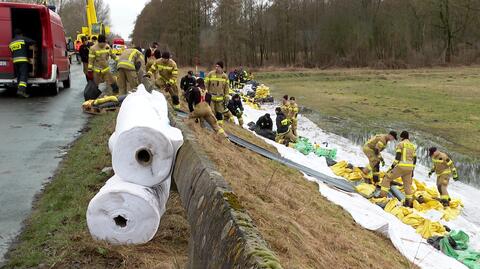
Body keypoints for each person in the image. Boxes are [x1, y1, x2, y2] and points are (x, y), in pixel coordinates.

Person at [378, 131, 417, 208]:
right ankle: (408, 203)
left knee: (387, 178)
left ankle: (382, 197)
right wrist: (412, 170)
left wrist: (391, 168)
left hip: (401, 166)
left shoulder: (400, 144)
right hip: (410, 168)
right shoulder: (412, 146)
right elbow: (415, 159)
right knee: (407, 185)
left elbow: (397, 158)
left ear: (402, 137)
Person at [9, 29, 35, 98]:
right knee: (24, 75)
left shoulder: (11, 42)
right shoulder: (22, 39)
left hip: (15, 61)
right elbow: (32, 41)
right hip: (22, 60)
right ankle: (21, 90)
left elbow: (12, 51)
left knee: (19, 75)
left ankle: (19, 89)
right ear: (21, 34)